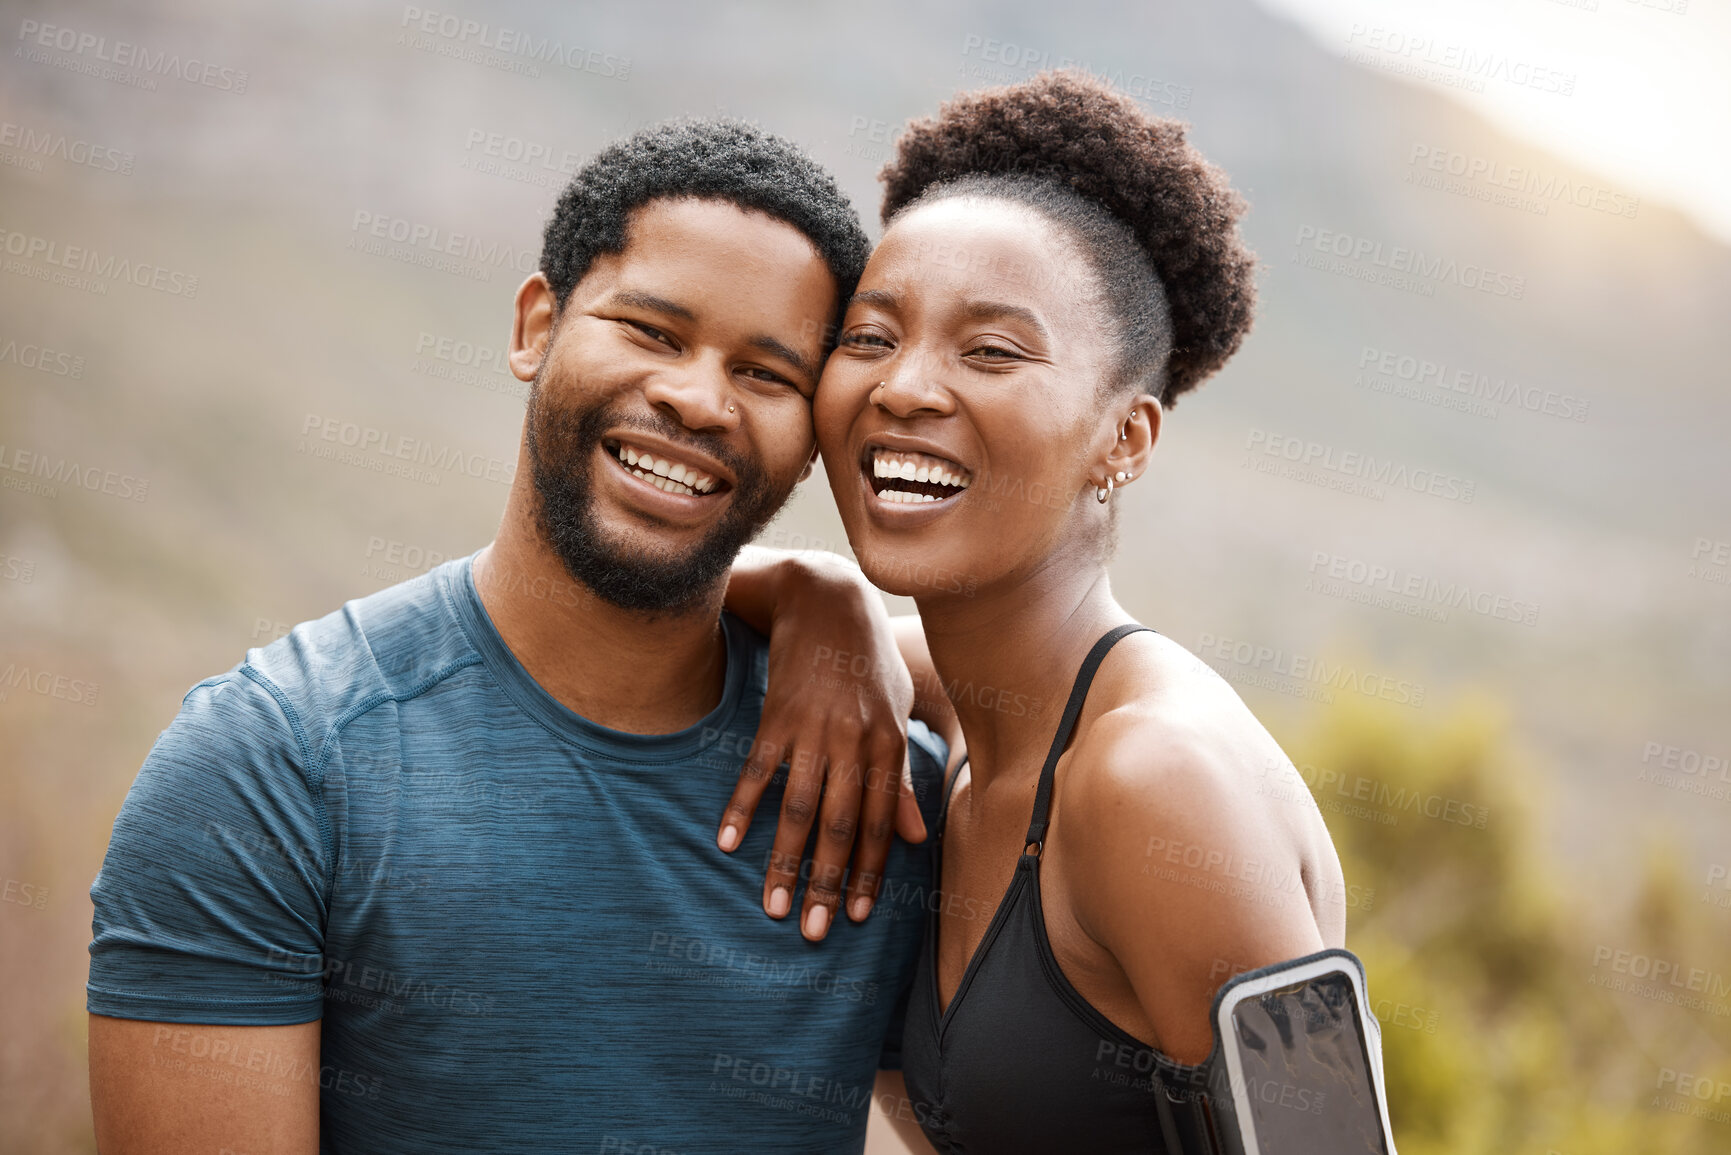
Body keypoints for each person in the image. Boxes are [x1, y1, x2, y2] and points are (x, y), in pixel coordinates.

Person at [86, 117, 949, 1155]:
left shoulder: (875, 789)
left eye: (767, 374)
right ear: (536, 326)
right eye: (651, 331)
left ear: (817, 435)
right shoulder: (270, 768)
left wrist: (846, 606)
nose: (695, 399)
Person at [809, 72, 1355, 1152]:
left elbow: (1327, 1138)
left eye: (992, 351)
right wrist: (813, 594)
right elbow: (664, 608)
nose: (906, 387)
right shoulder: (970, 708)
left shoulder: (1156, 784)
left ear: (1127, 440)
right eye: (870, 337)